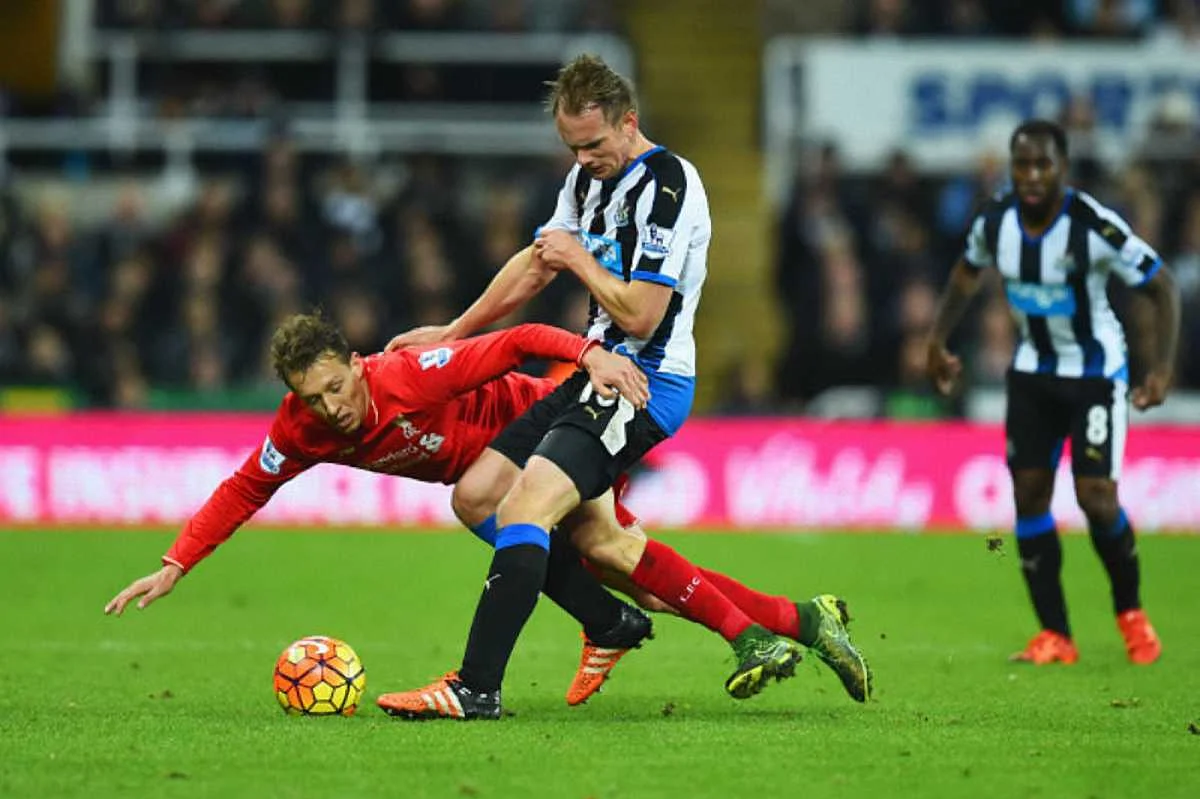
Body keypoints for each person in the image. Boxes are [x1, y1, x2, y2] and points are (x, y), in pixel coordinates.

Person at [376, 54, 871, 721]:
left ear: (628, 121)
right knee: (491, 501)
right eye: (571, 146)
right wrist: (455, 331)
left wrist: (577, 256)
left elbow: (640, 313)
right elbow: (536, 262)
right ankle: (799, 620)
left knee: (527, 513)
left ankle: (476, 687)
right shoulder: (586, 181)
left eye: (595, 144)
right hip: (594, 375)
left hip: (642, 383)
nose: (584, 158)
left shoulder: (670, 185)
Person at [104, 312, 867, 709]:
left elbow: (516, 341)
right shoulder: (299, 428)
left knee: (552, 529)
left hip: (548, 424)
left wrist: (587, 355)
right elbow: (245, 486)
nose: (333, 408)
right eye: (314, 397)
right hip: (507, 472)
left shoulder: (409, 376)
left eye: (338, 385)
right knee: (625, 565)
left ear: (356, 363)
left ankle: (605, 631)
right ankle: (801, 618)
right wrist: (176, 561)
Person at [926, 119, 1181, 666]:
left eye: (1044, 165)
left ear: (1062, 168)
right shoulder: (996, 221)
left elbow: (1162, 284)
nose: (1033, 176)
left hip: (1094, 374)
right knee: (1030, 496)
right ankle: (1056, 635)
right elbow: (967, 274)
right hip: (1033, 373)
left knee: (1096, 498)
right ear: (1012, 168)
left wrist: (1159, 370)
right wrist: (938, 338)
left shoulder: (1092, 224)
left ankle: (1132, 616)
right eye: (1023, 165)